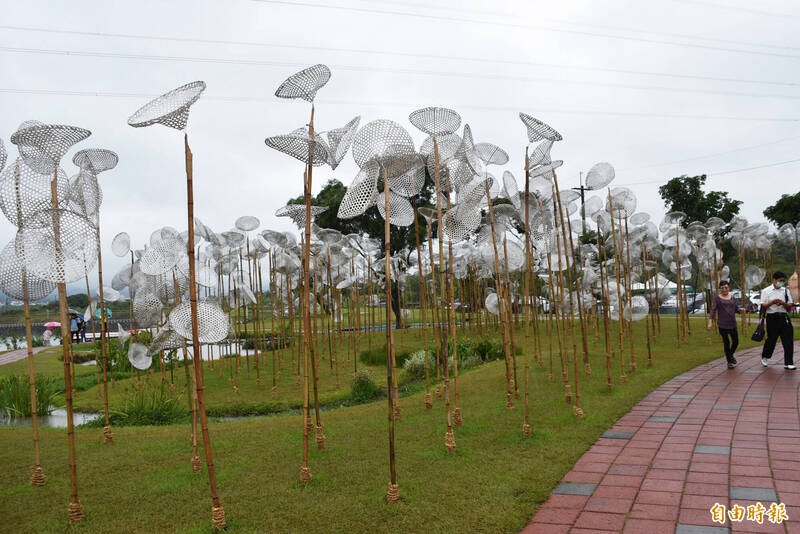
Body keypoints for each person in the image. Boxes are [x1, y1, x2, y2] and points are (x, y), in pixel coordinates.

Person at [760, 271, 796, 370]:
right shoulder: (766, 291)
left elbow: (790, 305)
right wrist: (772, 302)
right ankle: (765, 356)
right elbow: (763, 305)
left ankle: (789, 362)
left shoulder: (785, 291)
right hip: (772, 317)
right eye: (780, 281)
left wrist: (782, 303)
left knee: (788, 339)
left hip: (783, 317)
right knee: (771, 339)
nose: (781, 283)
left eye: (783, 281)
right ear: (774, 280)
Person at [707, 280, 745, 369]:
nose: (724, 289)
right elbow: (713, 311)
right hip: (722, 324)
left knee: (735, 342)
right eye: (722, 288)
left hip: (732, 323)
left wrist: (740, 310)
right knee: (726, 342)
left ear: (729, 288)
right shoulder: (717, 299)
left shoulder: (732, 298)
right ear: (720, 289)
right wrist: (710, 322)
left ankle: (730, 356)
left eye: (726, 287)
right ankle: (729, 362)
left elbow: (735, 309)